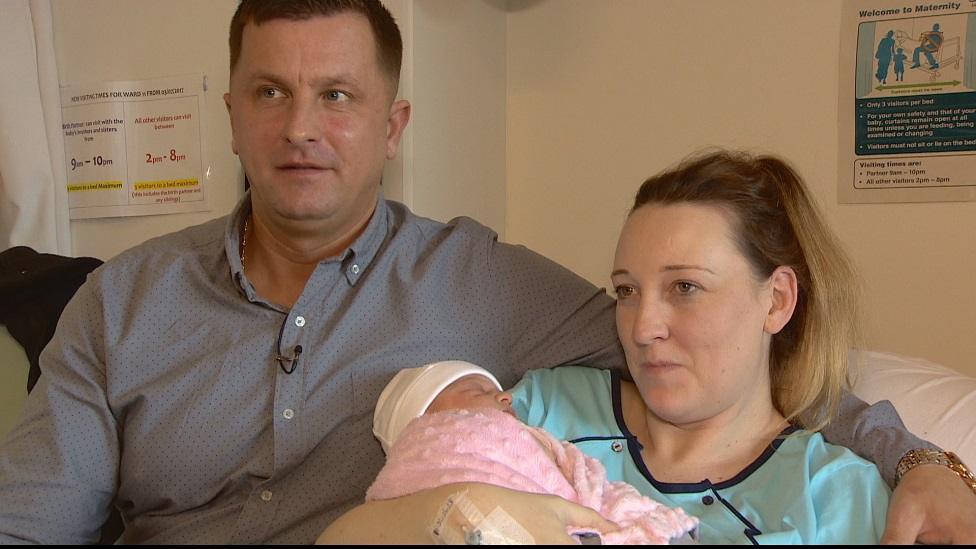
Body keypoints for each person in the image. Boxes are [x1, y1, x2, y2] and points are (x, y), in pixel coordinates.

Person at [0, 1, 974, 544]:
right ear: (230, 110)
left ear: (393, 125)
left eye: (336, 95)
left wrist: (919, 462)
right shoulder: (119, 304)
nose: (300, 128)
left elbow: (724, 370)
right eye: (271, 92)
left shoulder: (486, 286)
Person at [361, 360, 698, 545]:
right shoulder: (425, 451)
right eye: (477, 390)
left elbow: (578, 475)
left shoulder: (531, 440)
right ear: (422, 418)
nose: (506, 397)